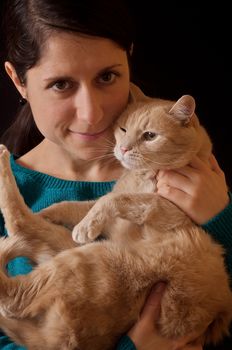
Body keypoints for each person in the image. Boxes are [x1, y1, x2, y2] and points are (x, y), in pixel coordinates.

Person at [0, 1, 231, 349]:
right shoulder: (11, 188)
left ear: (129, 60)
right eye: (61, 84)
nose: (92, 114)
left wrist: (221, 222)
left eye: (107, 77)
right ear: (18, 81)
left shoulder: (189, 176)